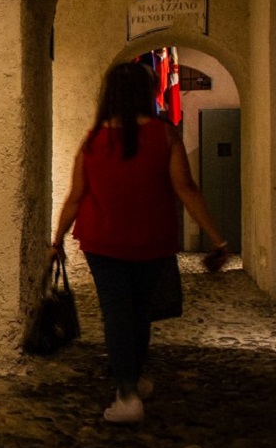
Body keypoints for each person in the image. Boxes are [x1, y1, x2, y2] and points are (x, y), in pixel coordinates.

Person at [51, 61, 228, 424]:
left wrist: (56, 239)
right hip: (152, 240)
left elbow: (75, 196)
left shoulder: (94, 139)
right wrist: (217, 239)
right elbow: (186, 189)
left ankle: (127, 392)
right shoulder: (165, 136)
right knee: (140, 313)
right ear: (147, 93)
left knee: (117, 315)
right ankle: (133, 378)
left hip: (103, 242)